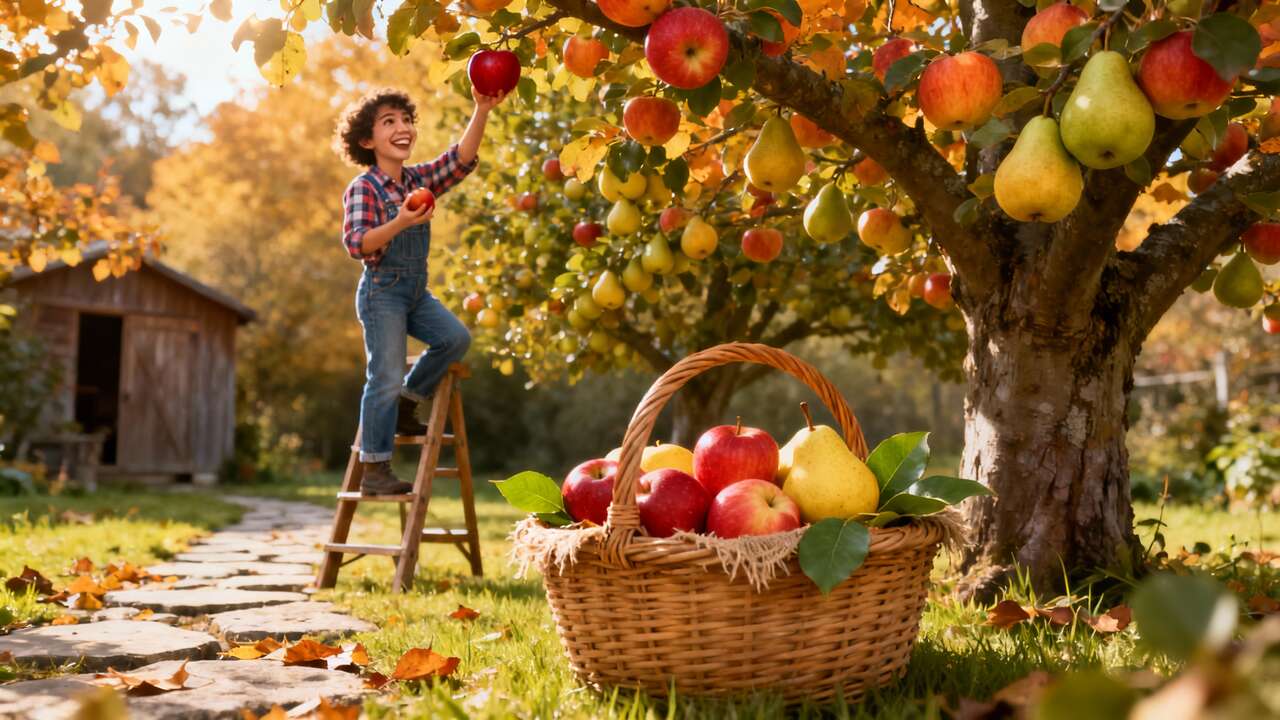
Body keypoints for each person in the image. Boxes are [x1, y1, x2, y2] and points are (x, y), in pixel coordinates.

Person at [334, 86, 506, 495]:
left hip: (414, 292)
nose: (402, 128)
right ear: (366, 140)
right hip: (382, 292)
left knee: (454, 338)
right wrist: (400, 222)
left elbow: (460, 161)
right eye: (389, 122)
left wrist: (481, 109)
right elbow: (357, 244)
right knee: (384, 375)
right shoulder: (365, 188)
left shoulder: (417, 179)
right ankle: (375, 469)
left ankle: (407, 403)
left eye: (406, 120)